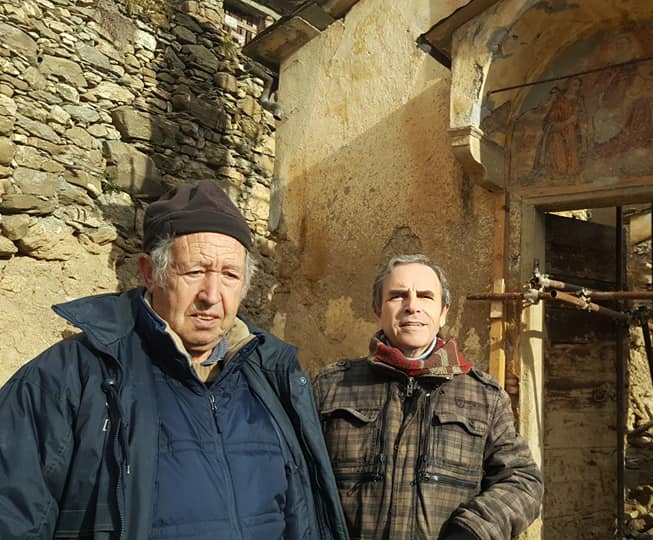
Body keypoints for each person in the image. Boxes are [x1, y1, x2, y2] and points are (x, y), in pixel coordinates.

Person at [0, 181, 348, 540]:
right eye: (194, 271)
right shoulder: (66, 378)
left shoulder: (273, 377)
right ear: (150, 273)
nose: (212, 295)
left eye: (230, 275)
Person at [313, 254, 544, 540]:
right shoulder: (332, 386)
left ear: (444, 312)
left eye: (425, 296)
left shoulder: (485, 397)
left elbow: (523, 481)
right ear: (377, 310)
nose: (412, 306)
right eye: (398, 296)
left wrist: (474, 529)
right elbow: (297, 475)